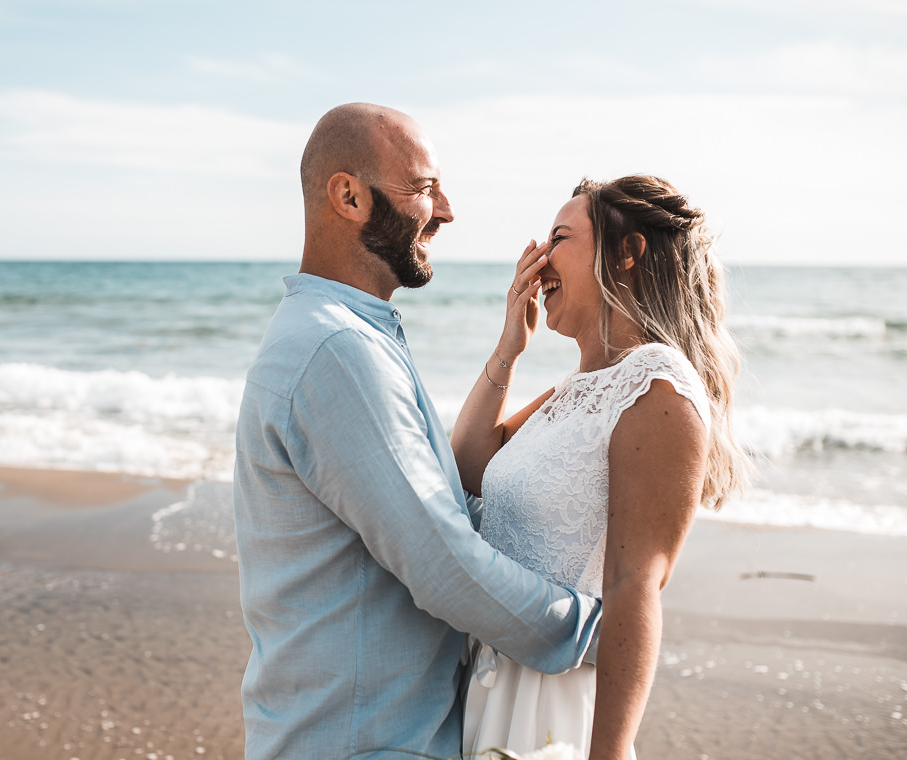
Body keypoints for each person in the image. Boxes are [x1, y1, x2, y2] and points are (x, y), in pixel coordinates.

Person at [232, 103, 602, 760]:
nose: (449, 210)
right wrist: (599, 630)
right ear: (348, 196)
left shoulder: (350, 336)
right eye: (425, 187)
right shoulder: (336, 351)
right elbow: (443, 566)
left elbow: (446, 505)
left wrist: (512, 361)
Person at [452, 175, 751, 759]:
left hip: (550, 702)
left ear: (626, 253)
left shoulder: (654, 383)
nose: (537, 258)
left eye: (560, 237)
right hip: (486, 684)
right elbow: (467, 468)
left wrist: (608, 754)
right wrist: (509, 346)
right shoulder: (575, 389)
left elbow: (634, 589)